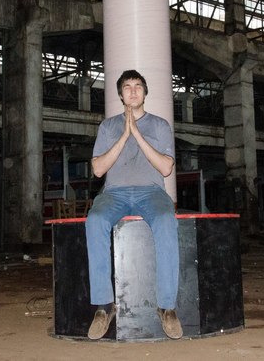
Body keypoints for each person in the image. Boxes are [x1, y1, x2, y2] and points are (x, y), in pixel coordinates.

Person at [84, 69, 182, 340]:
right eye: (127, 87)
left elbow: (166, 168)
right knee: (95, 220)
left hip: (151, 192)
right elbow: (98, 170)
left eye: (138, 86)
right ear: (120, 95)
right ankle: (104, 306)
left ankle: (166, 306)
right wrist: (124, 135)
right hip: (114, 193)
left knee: (166, 220)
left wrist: (136, 133)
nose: (133, 91)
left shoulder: (160, 125)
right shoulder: (108, 127)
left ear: (145, 92)